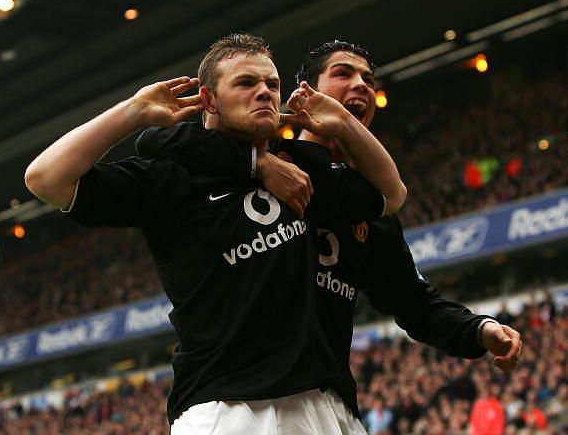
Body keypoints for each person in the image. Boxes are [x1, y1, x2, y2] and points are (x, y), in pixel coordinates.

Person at [24, 33, 407, 435]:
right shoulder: (171, 180)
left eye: (272, 85)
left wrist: (344, 124)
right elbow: (44, 178)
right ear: (208, 100)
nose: (264, 93)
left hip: (316, 405)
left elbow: (392, 194)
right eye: (245, 83)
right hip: (224, 407)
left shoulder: (301, 170)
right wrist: (134, 111)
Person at [138, 40, 523, 434]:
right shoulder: (266, 157)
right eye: (343, 74)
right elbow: (157, 141)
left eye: (368, 80)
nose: (361, 86)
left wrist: (478, 329)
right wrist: (257, 162)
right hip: (237, 401)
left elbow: (413, 302)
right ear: (304, 94)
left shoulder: (369, 207)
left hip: (328, 405)